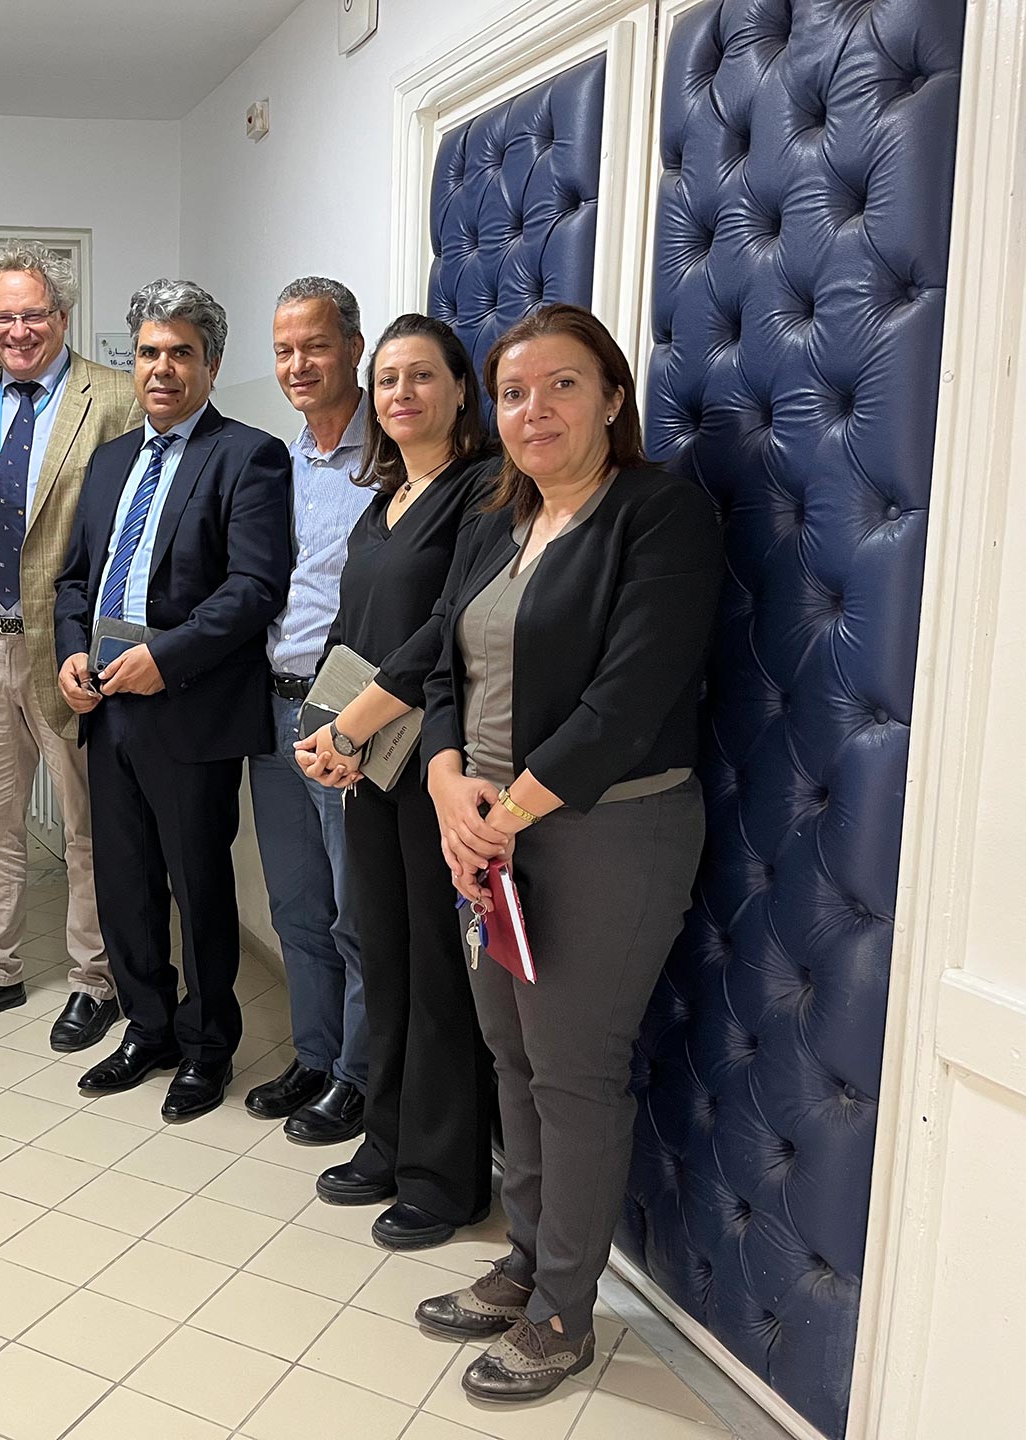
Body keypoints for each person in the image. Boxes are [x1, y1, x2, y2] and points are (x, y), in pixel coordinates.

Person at [405, 304, 722, 1401]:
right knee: (512, 1054)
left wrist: (502, 814)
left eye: (563, 386)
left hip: (607, 830)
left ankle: (561, 1313)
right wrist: (447, 783)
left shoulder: (660, 515)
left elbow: (628, 699)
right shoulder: (497, 517)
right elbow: (443, 673)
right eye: (513, 393)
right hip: (487, 834)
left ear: (614, 397)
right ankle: (526, 1259)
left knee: (575, 1073)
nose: (534, 411)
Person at [57, 279, 290, 1122]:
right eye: (148, 352)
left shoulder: (249, 456)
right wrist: (70, 652)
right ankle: (148, 1028)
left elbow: (254, 586)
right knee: (122, 880)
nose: (161, 368)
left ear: (212, 364)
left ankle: (208, 1045)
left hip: (190, 707)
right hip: (107, 702)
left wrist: (167, 657)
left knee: (198, 887)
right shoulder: (111, 460)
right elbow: (75, 579)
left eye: (180, 353)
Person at [295, 314, 499, 1249]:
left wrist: (354, 724)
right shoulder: (383, 500)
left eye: (422, 376)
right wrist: (328, 735)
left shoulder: (483, 493)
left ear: (461, 389)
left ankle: (445, 1177)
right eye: (386, 380)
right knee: (382, 955)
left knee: (436, 971)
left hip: (439, 761)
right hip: (369, 761)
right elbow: (349, 628)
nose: (400, 393)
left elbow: (444, 630)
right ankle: (388, 1141)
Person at [0, 240, 141, 1050]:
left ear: (63, 315)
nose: (17, 331)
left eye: (33, 314)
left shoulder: (114, 396)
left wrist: (108, 642)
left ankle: (95, 980)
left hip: (71, 651)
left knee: (88, 824)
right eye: (2, 317)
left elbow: (136, 528)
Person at [243, 277, 375, 1144]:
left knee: (355, 913)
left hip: (352, 714)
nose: (298, 365)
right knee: (295, 905)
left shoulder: (391, 459)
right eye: (285, 350)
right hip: (274, 708)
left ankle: (361, 1077)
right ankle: (318, 1056)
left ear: (353, 348)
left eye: (315, 346)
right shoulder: (276, 464)